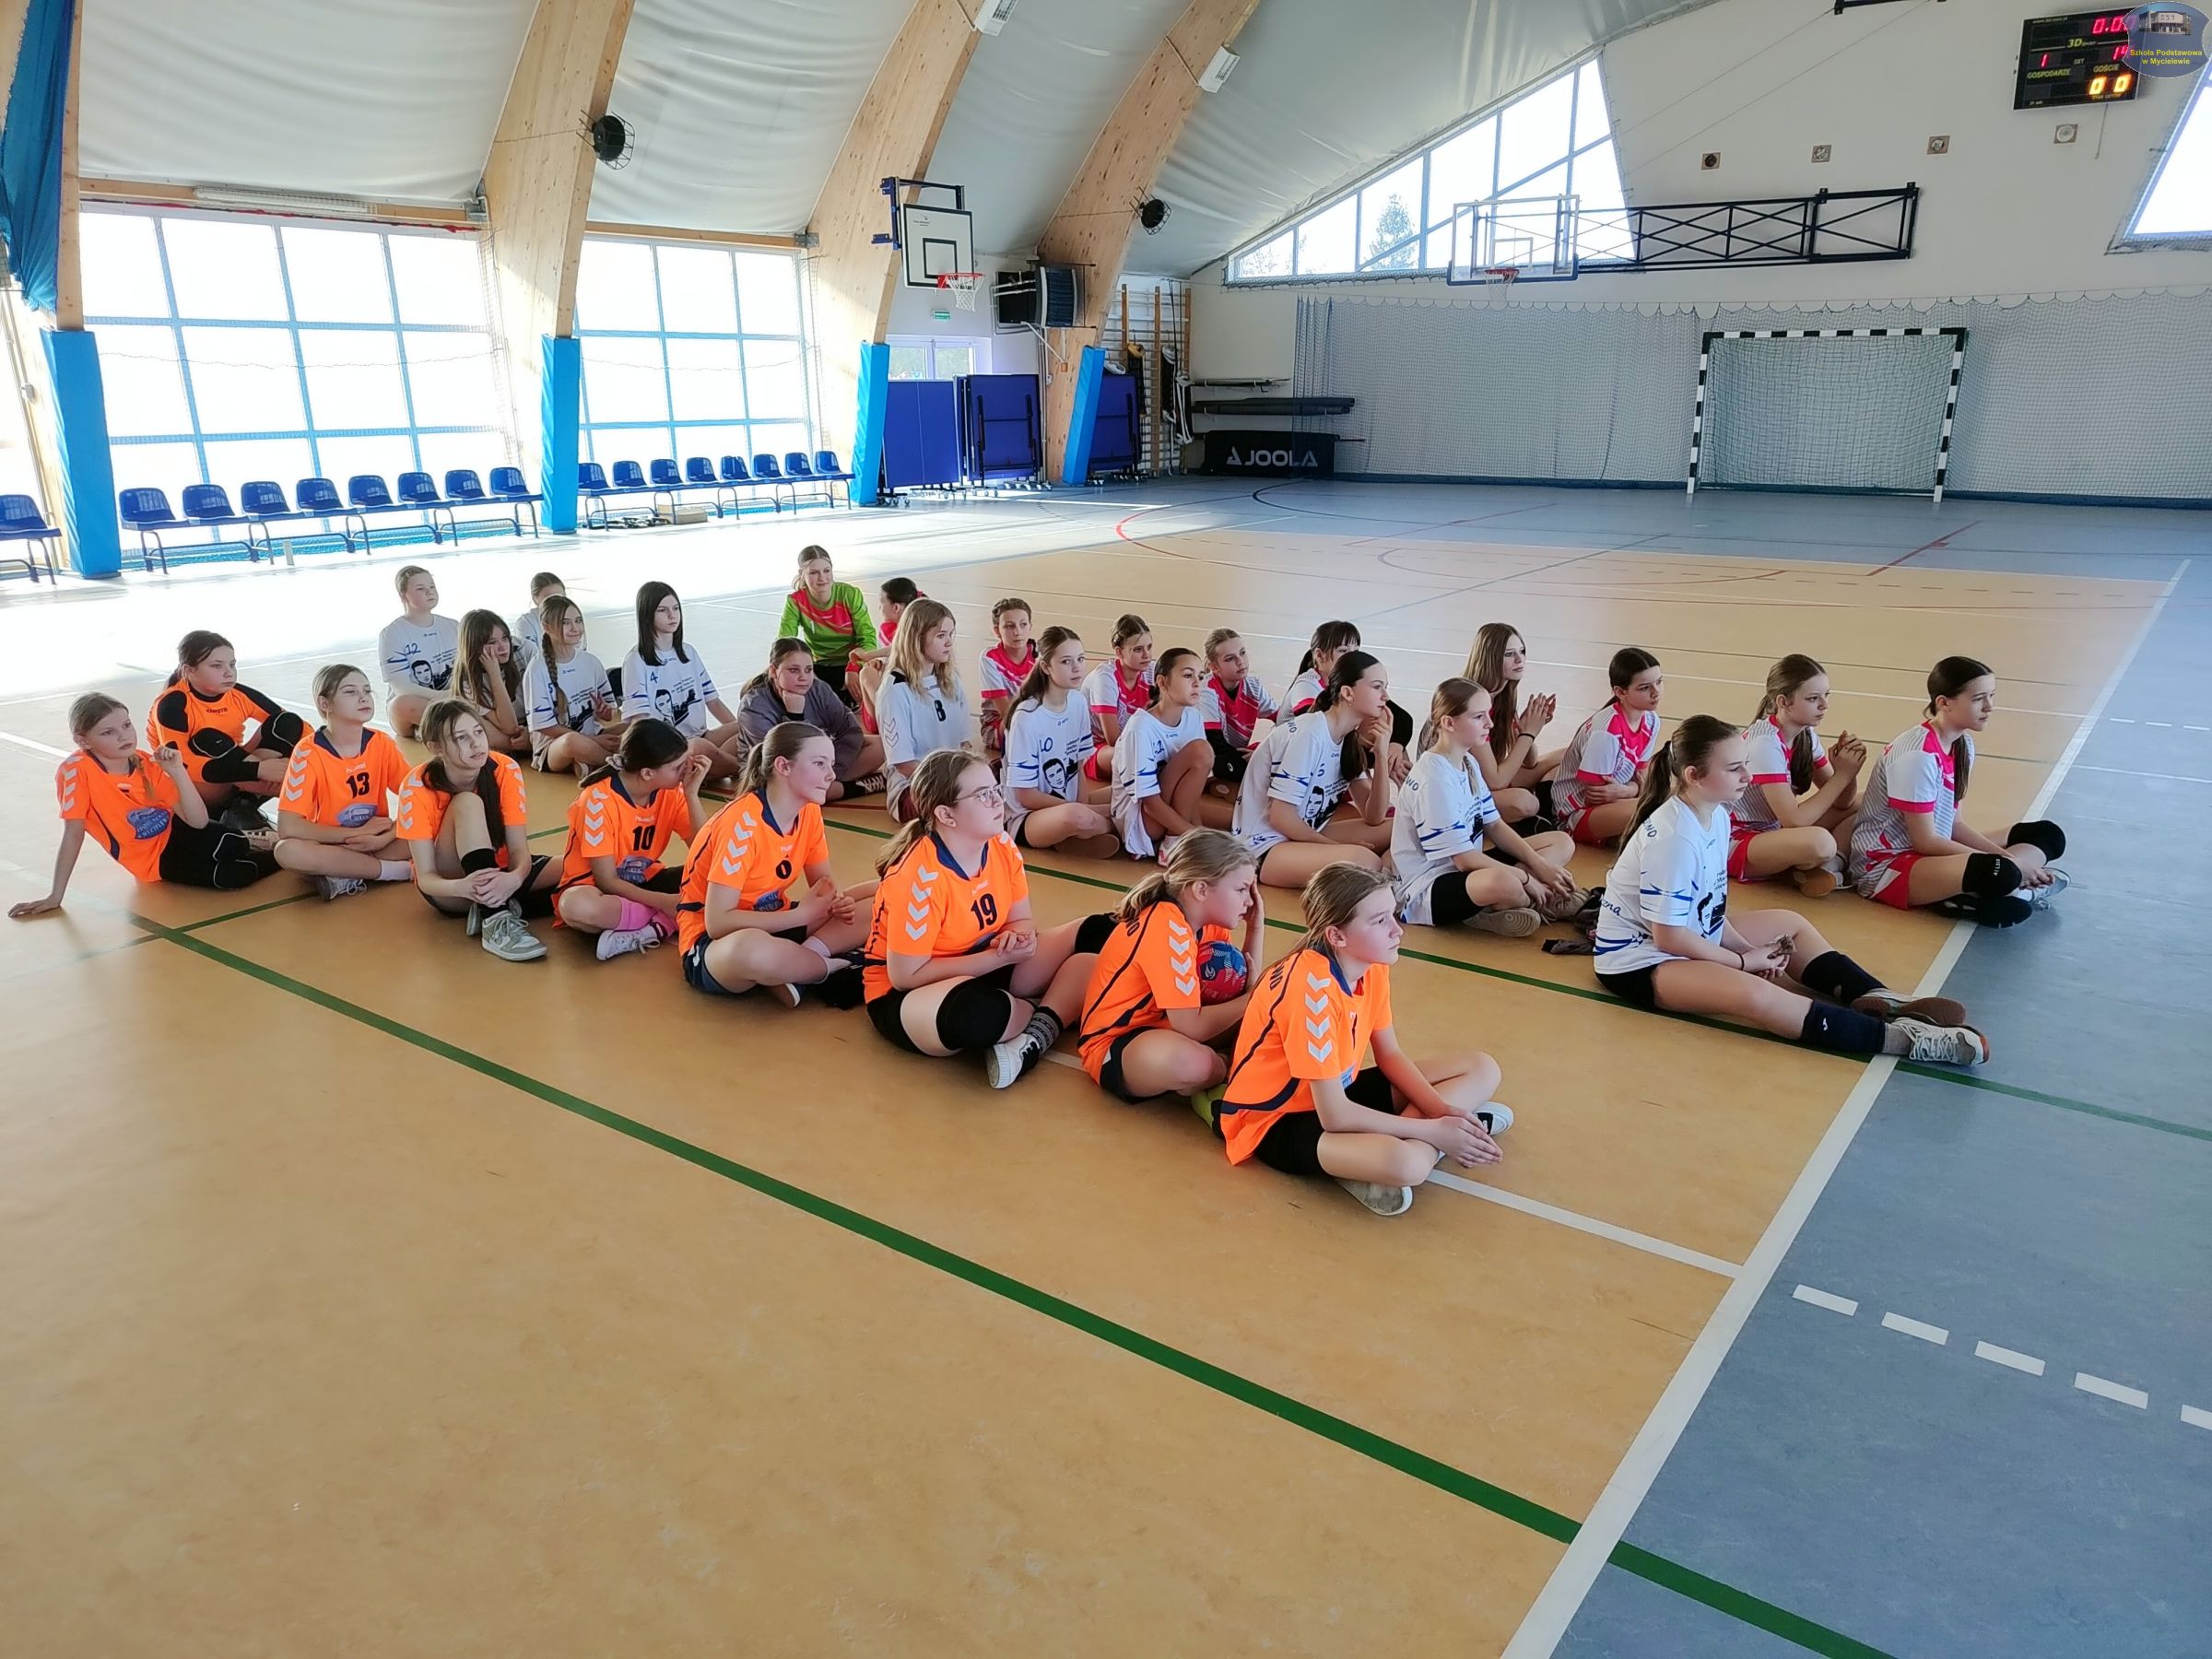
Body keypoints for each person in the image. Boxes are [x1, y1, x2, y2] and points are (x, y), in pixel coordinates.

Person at [1595, 715, 1989, 1063]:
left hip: (1680, 937)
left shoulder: (1715, 815)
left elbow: (1708, 909)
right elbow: (1669, 938)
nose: (1747, 777)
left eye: (1745, 764)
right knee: (1756, 995)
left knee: (1790, 925)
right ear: (1694, 776)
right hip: (1640, 962)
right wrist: (1742, 963)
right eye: (1734, 769)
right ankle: (1906, 1040)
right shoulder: (1675, 839)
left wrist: (1746, 950)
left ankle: (1881, 999)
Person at [1208, 864, 1511, 1217]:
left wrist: (1441, 1111)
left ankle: (1418, 1144)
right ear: (1337, 936)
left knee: (1482, 1068)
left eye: (1393, 914)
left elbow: (1390, 1055)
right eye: (1380, 921)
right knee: (1408, 1165)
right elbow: (1335, 1116)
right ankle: (1418, 1148)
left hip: (1337, 1094)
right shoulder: (1311, 992)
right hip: (1275, 1122)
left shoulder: (1372, 964)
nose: (1397, 930)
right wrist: (1431, 1130)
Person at [861, 750, 1095, 1088]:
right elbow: (905, 977)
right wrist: (997, 958)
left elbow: (1021, 920)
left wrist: (1018, 938)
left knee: (1099, 932)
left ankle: (1032, 1029)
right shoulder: (920, 878)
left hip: (987, 961)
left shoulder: (1000, 844)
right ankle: (1048, 1015)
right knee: (979, 1016)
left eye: (995, 789)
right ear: (946, 814)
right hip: (913, 993)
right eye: (982, 794)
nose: (997, 800)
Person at [1848, 656, 2067, 925]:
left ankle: (1994, 889)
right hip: (1886, 867)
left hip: (1932, 853)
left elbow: (1955, 824)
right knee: (2000, 871)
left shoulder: (1963, 744)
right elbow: (1925, 842)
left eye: (1991, 696)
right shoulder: (1918, 756)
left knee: (2048, 835)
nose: (1989, 707)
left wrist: (2011, 859)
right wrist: (2010, 864)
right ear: (1944, 703)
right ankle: (2002, 888)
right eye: (1978, 699)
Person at [11, 694, 273, 917]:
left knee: (232, 843)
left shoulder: (145, 762)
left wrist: (177, 772)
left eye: (126, 725)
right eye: (108, 732)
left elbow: (198, 822)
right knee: (233, 876)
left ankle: (255, 841)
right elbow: (73, 834)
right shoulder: (76, 771)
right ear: (83, 741)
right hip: (152, 862)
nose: (123, 736)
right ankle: (278, 854)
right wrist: (55, 895)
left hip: (175, 831)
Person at [679, 721, 876, 1007]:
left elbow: (824, 887)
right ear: (783, 766)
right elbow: (718, 923)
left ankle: (798, 965)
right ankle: (825, 968)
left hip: (777, 919)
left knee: (884, 895)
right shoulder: (741, 824)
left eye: (831, 765)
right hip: (716, 943)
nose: (831, 775)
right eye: (819, 763)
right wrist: (800, 916)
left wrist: (838, 903)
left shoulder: (808, 811)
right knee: (751, 950)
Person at [1077, 830, 1265, 1102]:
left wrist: (1256, 928)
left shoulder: (1209, 923)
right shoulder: (1167, 928)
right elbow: (1192, 1026)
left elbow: (1241, 986)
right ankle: (1223, 1071)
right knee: (1194, 1063)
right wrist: (1253, 1000)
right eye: (1241, 889)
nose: (1249, 901)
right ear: (1201, 890)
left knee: (1270, 1016)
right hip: (1119, 1043)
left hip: (1169, 1028)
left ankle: (1225, 1066)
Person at [1393, 679, 1585, 935]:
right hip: (1428, 889)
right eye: (1479, 717)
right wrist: (1527, 877)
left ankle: (1506, 904)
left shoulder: (1467, 762)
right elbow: (1464, 861)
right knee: (1503, 882)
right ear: (1449, 723)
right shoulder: (1434, 780)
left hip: (1467, 870)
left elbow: (1494, 824)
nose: (1490, 724)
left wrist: (1540, 865)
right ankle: (1536, 901)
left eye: (1488, 714)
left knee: (1561, 842)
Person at [395, 699, 561, 962]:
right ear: (436, 748)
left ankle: (500, 905)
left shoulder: (505, 768)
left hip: (501, 872)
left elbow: (519, 850)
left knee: (581, 867)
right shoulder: (416, 786)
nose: (476, 743)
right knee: (468, 803)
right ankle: (496, 920)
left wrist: (515, 878)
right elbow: (426, 878)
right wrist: (463, 887)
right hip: (452, 886)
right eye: (461, 737)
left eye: (478, 732)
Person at [1232, 650, 1394, 888]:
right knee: (1364, 861)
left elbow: (1374, 816)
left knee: (1401, 829)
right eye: (1377, 687)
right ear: (1348, 693)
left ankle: (1385, 879)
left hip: (1305, 834)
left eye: (1385, 687)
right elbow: (1281, 817)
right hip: (1265, 848)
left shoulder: (1348, 737)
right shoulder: (1310, 735)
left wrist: (1381, 754)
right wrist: (1335, 847)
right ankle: (1384, 880)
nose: (1385, 696)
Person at [551, 719, 708, 961]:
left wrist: (691, 795)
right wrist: (664, 902)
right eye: (678, 766)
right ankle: (667, 920)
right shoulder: (597, 801)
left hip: (645, 881)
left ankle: (653, 925)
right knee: (576, 906)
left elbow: (705, 851)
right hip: (598, 890)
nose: (687, 769)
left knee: (716, 879)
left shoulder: (671, 793)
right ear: (647, 773)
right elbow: (607, 881)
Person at [270, 664, 415, 900]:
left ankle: (346, 874)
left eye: (367, 691)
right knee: (287, 851)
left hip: (378, 842)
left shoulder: (381, 743)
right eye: (350, 692)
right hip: (332, 845)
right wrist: (353, 835)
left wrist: (387, 836)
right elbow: (289, 827)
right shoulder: (308, 752)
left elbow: (419, 798)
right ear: (325, 704)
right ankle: (396, 872)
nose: (363, 698)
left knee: (437, 821)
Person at [1733, 654, 1864, 897]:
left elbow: (1843, 802)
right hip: (1738, 839)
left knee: (1865, 801)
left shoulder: (1805, 734)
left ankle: (1829, 865)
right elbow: (1794, 820)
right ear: (1783, 702)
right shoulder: (1765, 743)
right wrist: (1842, 775)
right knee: (1820, 843)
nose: (1824, 705)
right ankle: (1807, 866)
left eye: (1826, 695)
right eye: (1813, 698)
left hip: (1773, 830)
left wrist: (1848, 770)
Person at [145, 629, 304, 826]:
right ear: (189, 671)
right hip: (198, 791)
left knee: (287, 721)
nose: (229, 672)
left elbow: (300, 729)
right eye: (216, 666)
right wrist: (259, 769)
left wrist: (319, 761)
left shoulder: (238, 694)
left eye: (232, 664)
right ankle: (288, 792)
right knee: (208, 739)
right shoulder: (172, 704)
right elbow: (182, 765)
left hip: (237, 775)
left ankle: (243, 805)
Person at [1000, 625, 1119, 857]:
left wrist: (1085, 805)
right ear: (1046, 667)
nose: (1077, 668)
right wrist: (1089, 810)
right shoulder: (1027, 717)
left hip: (1070, 803)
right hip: (1028, 817)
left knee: (1132, 792)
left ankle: (1076, 836)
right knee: (1078, 816)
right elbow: (1026, 796)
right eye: (1066, 661)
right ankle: (1120, 827)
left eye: (1080, 659)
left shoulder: (1077, 702)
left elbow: (1078, 767)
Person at [620, 580, 749, 782]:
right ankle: (745, 769)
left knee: (749, 723)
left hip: (701, 736)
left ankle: (717, 765)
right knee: (699, 748)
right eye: (662, 610)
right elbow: (640, 721)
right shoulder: (637, 660)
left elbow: (714, 702)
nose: (672, 615)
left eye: (676, 608)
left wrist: (740, 732)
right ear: (647, 615)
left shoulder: (688, 653)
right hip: (670, 750)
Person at [735, 637, 886, 801]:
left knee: (879, 745)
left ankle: (828, 785)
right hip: (774, 775)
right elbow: (774, 762)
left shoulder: (818, 689)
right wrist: (795, 717)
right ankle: (855, 787)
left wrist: (829, 769)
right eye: (794, 670)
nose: (803, 677)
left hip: (815, 762)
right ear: (773, 671)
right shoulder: (753, 706)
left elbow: (850, 730)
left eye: (808, 670)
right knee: (794, 791)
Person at [1111, 644, 1217, 863]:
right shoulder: (1141, 727)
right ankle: (1172, 845)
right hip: (1142, 824)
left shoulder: (1193, 717)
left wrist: (1198, 830)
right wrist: (1196, 836)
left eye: (1200, 676)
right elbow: (1150, 804)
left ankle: (1175, 840)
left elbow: (1192, 790)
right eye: (1187, 675)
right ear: (1162, 682)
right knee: (1201, 750)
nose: (1197, 683)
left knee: (1228, 826)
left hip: (1166, 813)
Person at [1548, 646, 1663, 847]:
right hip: (1575, 814)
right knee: (1656, 808)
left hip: (1616, 801)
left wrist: (1629, 790)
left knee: (1666, 803)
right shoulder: (1607, 733)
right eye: (1645, 688)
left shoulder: (1652, 721)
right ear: (1620, 692)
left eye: (1659, 682)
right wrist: (1632, 791)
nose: (1656, 692)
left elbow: (1642, 777)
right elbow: (1597, 796)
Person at [876, 597, 974, 822]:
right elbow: (904, 764)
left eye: (951, 635)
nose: (949, 643)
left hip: (952, 778)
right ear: (916, 637)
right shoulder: (895, 690)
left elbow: (964, 744)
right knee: (968, 808)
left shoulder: (950, 679)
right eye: (941, 636)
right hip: (914, 786)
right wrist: (950, 783)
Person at [1464, 621, 1564, 828]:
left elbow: (1529, 762)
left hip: (1487, 783)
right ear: (1490, 659)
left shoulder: (1502, 695)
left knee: (1566, 755)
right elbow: (1496, 781)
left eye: (1522, 651)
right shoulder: (1473, 702)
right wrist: (1528, 734)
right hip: (1466, 793)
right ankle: (1521, 822)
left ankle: (1547, 812)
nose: (1520, 659)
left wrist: (1525, 731)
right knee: (1525, 802)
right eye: (1509, 654)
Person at [1284, 619, 1411, 782]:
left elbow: (1402, 718)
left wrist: (1395, 746)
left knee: (1387, 729)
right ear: (1320, 656)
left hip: (1329, 752)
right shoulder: (1306, 686)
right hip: (1297, 759)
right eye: (1343, 651)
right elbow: (1322, 737)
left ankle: (1404, 786)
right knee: (1376, 737)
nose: (1352, 656)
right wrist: (1379, 755)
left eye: (1356, 650)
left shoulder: (1346, 681)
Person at [523, 594, 626, 778]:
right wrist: (594, 740)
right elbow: (545, 727)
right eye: (565, 623)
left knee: (637, 724)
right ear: (546, 626)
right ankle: (618, 765)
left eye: (578, 621)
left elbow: (609, 713)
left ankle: (586, 764)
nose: (575, 628)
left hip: (594, 734)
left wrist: (605, 713)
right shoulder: (536, 669)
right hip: (553, 747)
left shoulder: (591, 662)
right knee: (571, 741)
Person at [776, 545, 877, 702]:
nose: (822, 578)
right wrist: (805, 672)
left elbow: (868, 638)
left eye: (826, 571)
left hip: (851, 663)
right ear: (802, 574)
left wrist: (854, 666)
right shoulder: (796, 601)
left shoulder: (849, 595)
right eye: (814, 573)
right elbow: (785, 642)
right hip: (819, 666)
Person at [377, 564, 460, 738]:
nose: (429, 592)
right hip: (419, 704)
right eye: (421, 589)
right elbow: (401, 687)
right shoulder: (392, 634)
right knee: (401, 704)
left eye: (432, 587)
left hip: (454, 697)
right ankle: (445, 726)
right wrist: (442, 696)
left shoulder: (454, 626)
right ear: (403, 596)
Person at [1199, 627, 1279, 789]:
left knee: (1278, 756)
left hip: (1232, 753)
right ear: (1214, 667)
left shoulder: (1253, 686)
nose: (1240, 661)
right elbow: (1216, 744)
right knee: (1256, 769)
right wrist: (1258, 759)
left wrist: (1265, 751)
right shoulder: (1206, 691)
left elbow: (1285, 721)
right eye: (1230, 659)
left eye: (1242, 653)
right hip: (1212, 755)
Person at [1080, 613, 1156, 782]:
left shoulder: (1152, 671)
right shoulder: (1105, 679)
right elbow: (1114, 740)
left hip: (1135, 744)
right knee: (1136, 756)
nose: (1147, 655)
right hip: (1095, 750)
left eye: (1149, 647)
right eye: (1138, 650)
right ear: (1119, 652)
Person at [454, 609, 531, 757]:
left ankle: (530, 744)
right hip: (506, 732)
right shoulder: (468, 679)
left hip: (533, 723)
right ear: (475, 647)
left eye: (505, 638)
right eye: (492, 642)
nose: (503, 646)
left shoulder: (524, 650)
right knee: (467, 718)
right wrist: (494, 674)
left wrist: (530, 731)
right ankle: (522, 746)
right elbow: (510, 727)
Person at [853, 575, 921, 724]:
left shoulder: (891, 629)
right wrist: (878, 659)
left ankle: (889, 718)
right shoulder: (923, 623)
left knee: (866, 673)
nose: (880, 608)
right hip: (918, 699)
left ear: (896, 607)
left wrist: (869, 655)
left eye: (882, 603)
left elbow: (900, 648)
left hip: (901, 701)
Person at [976, 596, 1036, 757]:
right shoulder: (990, 658)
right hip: (1000, 725)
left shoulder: (1038, 657)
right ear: (997, 631)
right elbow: (1005, 711)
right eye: (1009, 626)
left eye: (1023, 625)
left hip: (1033, 719)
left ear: (1030, 626)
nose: (1017, 632)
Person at [512, 571, 564, 669]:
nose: (557, 603)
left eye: (561, 597)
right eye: (549, 598)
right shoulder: (526, 623)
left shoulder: (573, 618)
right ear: (535, 599)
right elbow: (532, 661)